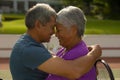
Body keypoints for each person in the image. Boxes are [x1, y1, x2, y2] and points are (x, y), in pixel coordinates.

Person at [10, 3, 102, 80]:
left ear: (74, 30)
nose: (54, 33)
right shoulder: (29, 49)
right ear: (38, 25)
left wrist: (89, 57)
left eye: (58, 29)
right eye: (52, 27)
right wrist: (94, 54)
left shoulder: (28, 43)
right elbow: (75, 71)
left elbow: (52, 57)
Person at [46, 6, 97, 80]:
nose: (56, 34)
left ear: (73, 30)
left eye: (59, 30)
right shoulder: (68, 49)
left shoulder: (75, 54)